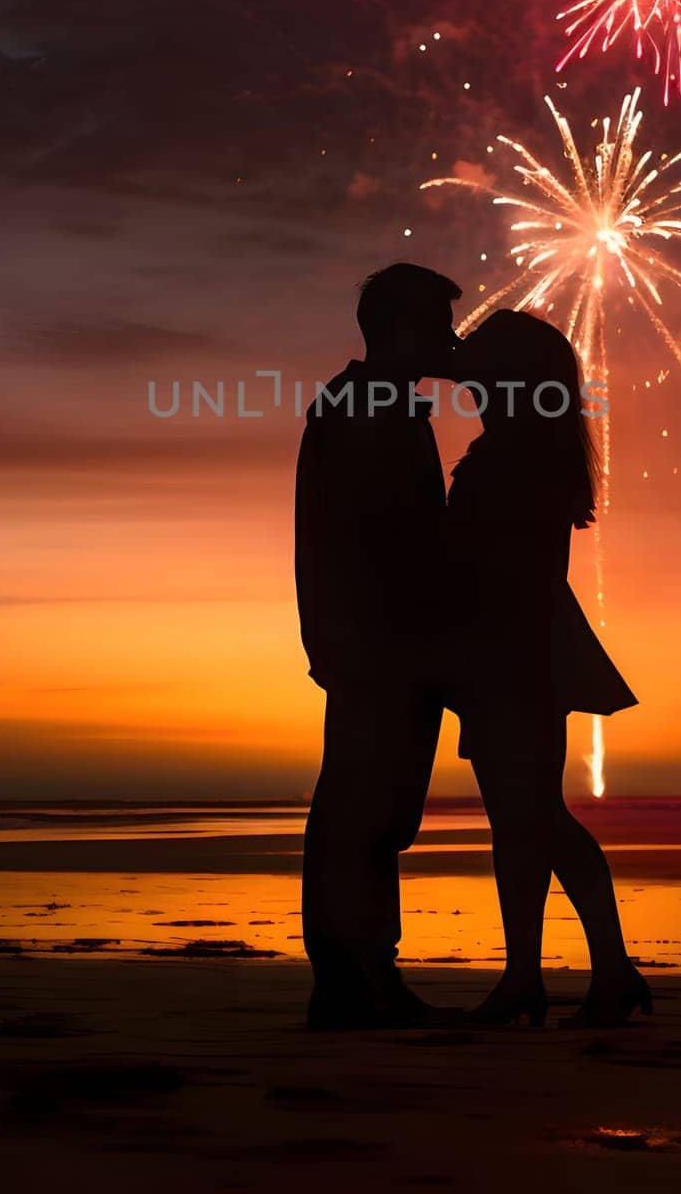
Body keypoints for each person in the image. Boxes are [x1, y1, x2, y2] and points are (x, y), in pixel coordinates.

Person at [447, 309, 650, 1028]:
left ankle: (599, 971)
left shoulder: (514, 456)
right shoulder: (533, 449)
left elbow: (489, 563)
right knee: (523, 820)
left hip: (513, 649)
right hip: (520, 646)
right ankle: (534, 976)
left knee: (532, 817)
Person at [295, 262, 461, 1029]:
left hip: (381, 639)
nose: (450, 340)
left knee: (378, 810)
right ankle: (352, 976)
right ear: (400, 330)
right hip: (380, 640)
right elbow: (364, 539)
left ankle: (360, 973)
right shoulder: (364, 410)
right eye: (437, 326)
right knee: (367, 808)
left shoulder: (375, 406)